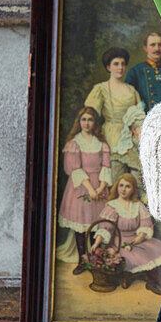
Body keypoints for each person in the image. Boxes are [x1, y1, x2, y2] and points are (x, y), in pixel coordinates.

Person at [92, 173, 161, 295]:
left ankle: (154, 281)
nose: (123, 189)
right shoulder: (113, 206)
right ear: (117, 187)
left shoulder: (137, 205)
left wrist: (137, 239)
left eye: (127, 186)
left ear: (133, 189)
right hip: (118, 241)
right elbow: (105, 228)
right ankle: (153, 280)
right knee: (131, 255)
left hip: (136, 239)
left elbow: (145, 225)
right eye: (121, 185)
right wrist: (96, 243)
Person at [57, 106, 111, 275]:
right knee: (81, 225)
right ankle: (82, 259)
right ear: (79, 122)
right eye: (84, 119)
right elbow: (75, 169)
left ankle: (96, 258)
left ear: (95, 122)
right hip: (80, 187)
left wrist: (100, 188)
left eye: (90, 120)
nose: (86, 123)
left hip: (99, 186)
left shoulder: (101, 144)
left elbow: (106, 167)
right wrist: (90, 190)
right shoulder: (74, 144)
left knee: (97, 223)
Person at [85, 47, 144, 188]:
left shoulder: (131, 90)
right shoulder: (101, 88)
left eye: (123, 64)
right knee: (112, 177)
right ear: (108, 67)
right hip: (110, 135)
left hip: (130, 137)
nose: (120, 68)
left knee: (137, 176)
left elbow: (140, 115)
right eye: (116, 64)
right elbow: (90, 115)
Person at [125, 31, 161, 111]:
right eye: (153, 45)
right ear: (145, 48)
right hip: (147, 117)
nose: (157, 49)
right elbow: (128, 99)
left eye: (160, 45)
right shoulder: (136, 71)